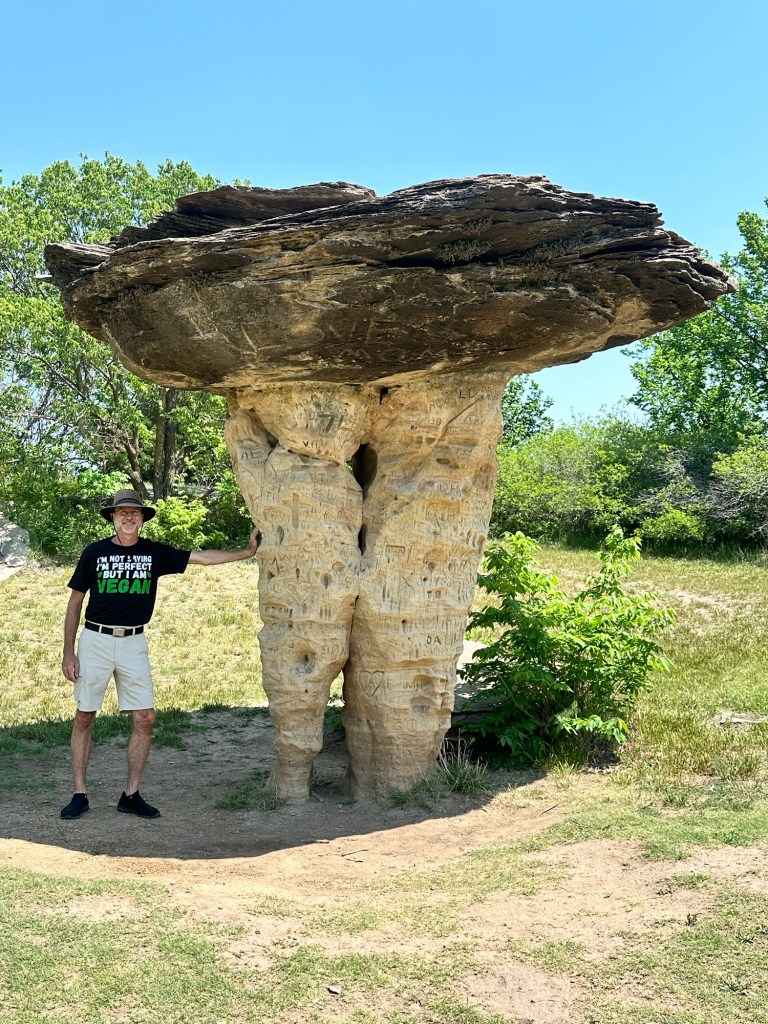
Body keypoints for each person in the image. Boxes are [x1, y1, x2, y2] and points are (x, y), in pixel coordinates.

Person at [60, 488, 261, 820]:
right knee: (85, 715)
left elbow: (201, 557)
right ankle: (79, 793)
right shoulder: (94, 552)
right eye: (122, 512)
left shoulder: (153, 554)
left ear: (142, 519)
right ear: (112, 517)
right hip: (95, 639)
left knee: (146, 719)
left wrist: (247, 552)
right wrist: (69, 652)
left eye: (134, 513)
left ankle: (131, 794)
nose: (128, 517)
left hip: (134, 642)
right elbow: (75, 601)